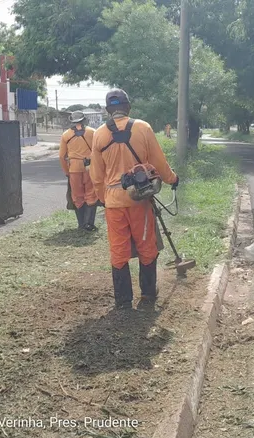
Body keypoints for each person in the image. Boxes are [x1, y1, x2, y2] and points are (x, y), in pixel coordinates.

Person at [90, 89, 179, 310]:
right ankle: (148, 295)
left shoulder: (99, 134)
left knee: (119, 249)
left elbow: (96, 175)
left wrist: (104, 198)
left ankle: (123, 301)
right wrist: (172, 179)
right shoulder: (143, 128)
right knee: (146, 246)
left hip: (113, 203)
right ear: (128, 107)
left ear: (109, 110)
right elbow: (159, 162)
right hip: (139, 198)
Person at [60, 111, 99, 231]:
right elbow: (98, 152)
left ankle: (81, 224)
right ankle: (89, 224)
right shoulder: (93, 132)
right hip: (89, 167)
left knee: (77, 196)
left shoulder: (66, 135)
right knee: (91, 194)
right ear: (84, 120)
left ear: (72, 121)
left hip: (74, 168)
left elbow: (62, 156)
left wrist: (67, 172)